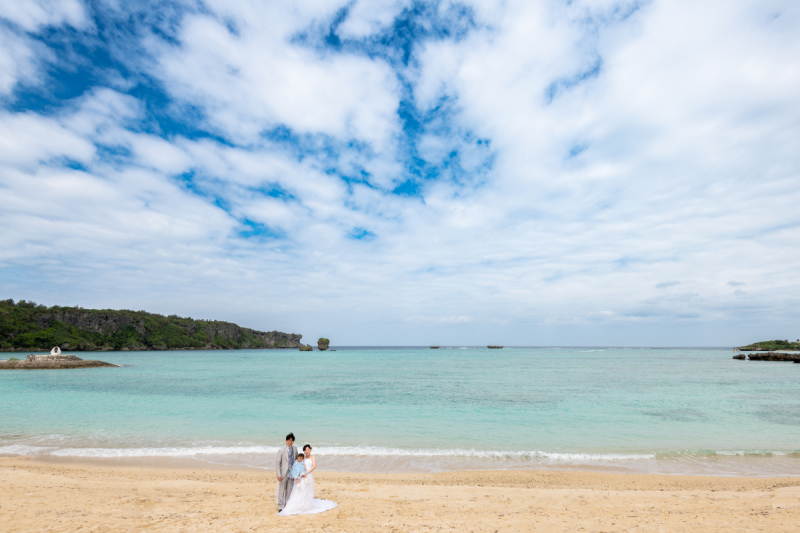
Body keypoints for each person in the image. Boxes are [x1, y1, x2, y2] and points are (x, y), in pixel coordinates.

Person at [278, 444, 337, 516]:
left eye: (308, 450)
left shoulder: (313, 457)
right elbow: (298, 465)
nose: (306, 451)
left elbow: (314, 467)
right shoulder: (303, 458)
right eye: (305, 450)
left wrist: (306, 472)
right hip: (301, 475)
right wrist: (299, 473)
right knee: (299, 489)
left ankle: (306, 506)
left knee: (306, 490)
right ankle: (297, 505)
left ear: (310, 449)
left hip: (307, 475)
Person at [275, 433, 298, 512]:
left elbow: (296, 461)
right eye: (289, 440)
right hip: (283, 473)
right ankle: (280, 506)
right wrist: (278, 474)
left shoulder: (295, 449)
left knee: (289, 490)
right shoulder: (281, 450)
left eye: (291, 441)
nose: (290, 442)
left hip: (292, 473)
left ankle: (287, 505)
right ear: (286, 440)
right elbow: (278, 463)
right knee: (281, 490)